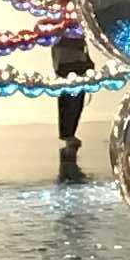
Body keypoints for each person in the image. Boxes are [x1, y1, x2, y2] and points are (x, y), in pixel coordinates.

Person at [51, 23, 92, 183]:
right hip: (68, 60)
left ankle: (69, 134)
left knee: (74, 99)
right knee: (70, 100)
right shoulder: (63, 25)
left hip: (73, 59)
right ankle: (68, 134)